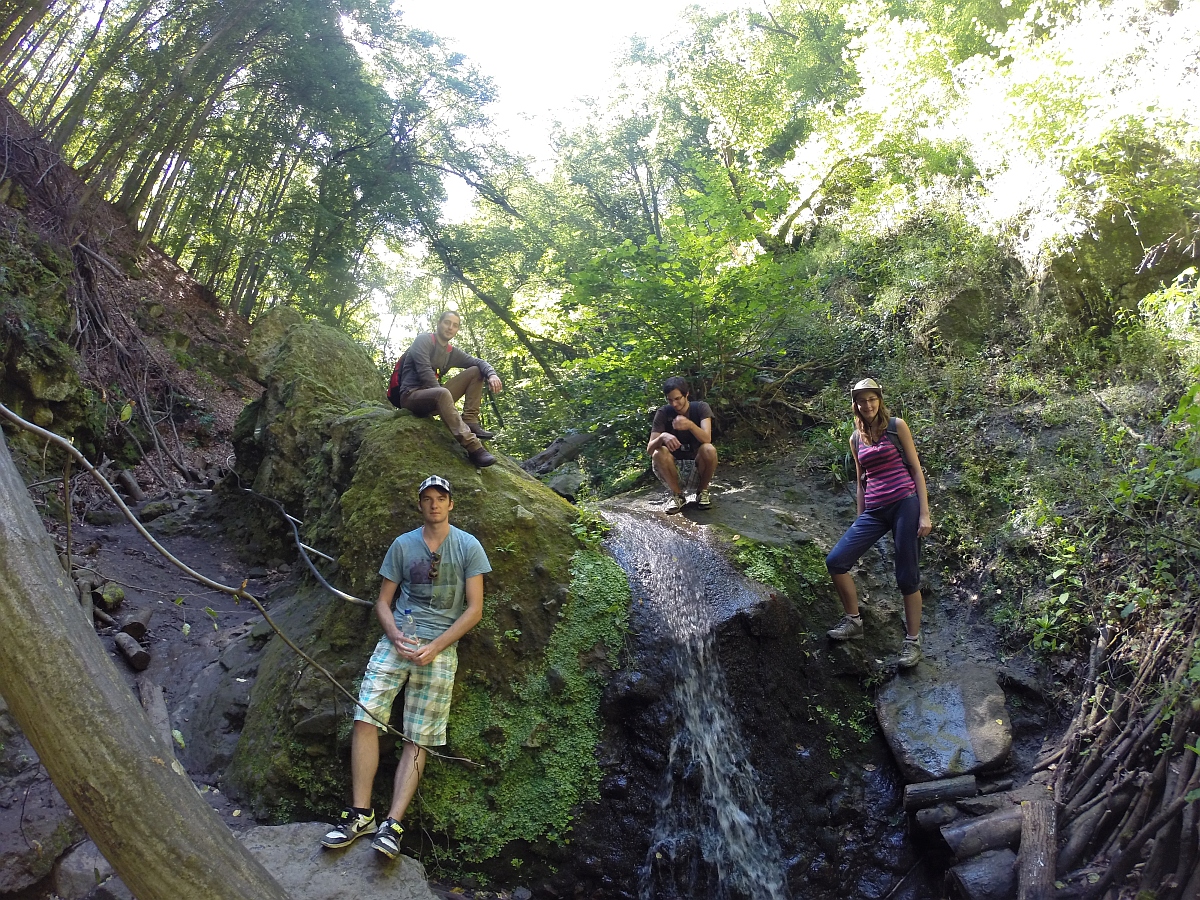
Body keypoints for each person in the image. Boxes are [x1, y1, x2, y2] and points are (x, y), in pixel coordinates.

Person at [321, 474, 489, 858]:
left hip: (440, 649)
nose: (434, 504)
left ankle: (392, 825)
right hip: (397, 642)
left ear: (451, 504)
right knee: (365, 715)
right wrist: (394, 634)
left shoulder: (468, 546)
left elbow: (475, 609)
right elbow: (383, 600)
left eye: (440, 498)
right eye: (427, 498)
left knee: (419, 735)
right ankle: (360, 814)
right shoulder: (402, 545)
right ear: (420, 505)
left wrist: (437, 646)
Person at [825, 378, 932, 669]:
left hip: (905, 503)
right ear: (855, 405)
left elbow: (916, 469)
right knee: (836, 561)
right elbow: (861, 480)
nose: (867, 405)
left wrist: (924, 513)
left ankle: (912, 642)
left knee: (907, 575)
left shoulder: (897, 426)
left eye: (872, 399)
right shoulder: (855, 438)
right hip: (874, 509)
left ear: (879, 400)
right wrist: (860, 517)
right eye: (862, 401)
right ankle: (853, 621)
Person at [396, 310, 502, 468]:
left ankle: (470, 420)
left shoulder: (451, 352)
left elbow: (478, 361)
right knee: (442, 393)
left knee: (475, 370)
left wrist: (492, 375)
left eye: (455, 325)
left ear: (457, 329)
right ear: (439, 323)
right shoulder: (424, 340)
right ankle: (474, 448)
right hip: (411, 396)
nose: (450, 327)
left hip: (436, 397)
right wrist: (443, 400)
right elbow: (425, 371)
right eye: (447, 323)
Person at [647, 376, 717, 514]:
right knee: (658, 452)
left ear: (686, 395)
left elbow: (707, 438)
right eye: (670, 400)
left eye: (677, 398)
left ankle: (702, 492)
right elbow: (649, 449)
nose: (674, 404)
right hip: (673, 467)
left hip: (697, 466)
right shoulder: (663, 413)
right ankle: (678, 496)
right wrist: (662, 437)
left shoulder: (701, 408)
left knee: (708, 449)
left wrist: (690, 425)